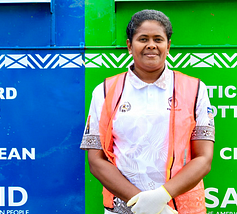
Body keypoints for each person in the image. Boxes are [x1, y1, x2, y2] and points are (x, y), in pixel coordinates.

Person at [80, 9, 214, 214]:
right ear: (129, 45)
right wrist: (141, 203)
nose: (151, 45)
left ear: (168, 46)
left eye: (158, 39)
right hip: (124, 208)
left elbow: (204, 158)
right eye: (143, 38)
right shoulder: (106, 90)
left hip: (178, 209)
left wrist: (162, 197)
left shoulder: (195, 88)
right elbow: (97, 161)